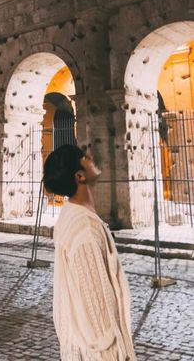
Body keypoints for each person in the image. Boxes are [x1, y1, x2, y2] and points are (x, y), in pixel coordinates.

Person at [43, 144, 136, 361]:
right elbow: (98, 315)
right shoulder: (85, 229)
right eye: (84, 157)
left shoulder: (73, 216)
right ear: (80, 176)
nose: (91, 157)